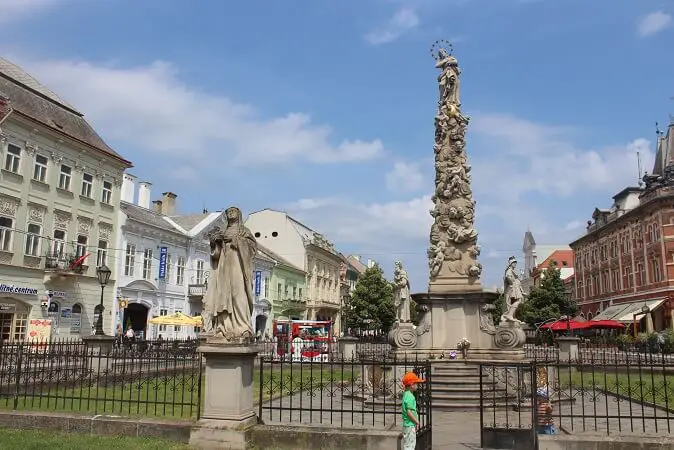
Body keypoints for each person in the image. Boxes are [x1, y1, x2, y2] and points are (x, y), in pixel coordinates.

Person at [401, 372, 425, 450]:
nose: (417, 386)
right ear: (412, 385)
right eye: (416, 384)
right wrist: (417, 422)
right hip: (410, 424)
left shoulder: (406, 394)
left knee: (407, 444)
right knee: (410, 446)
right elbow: (409, 412)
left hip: (407, 424)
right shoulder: (410, 397)